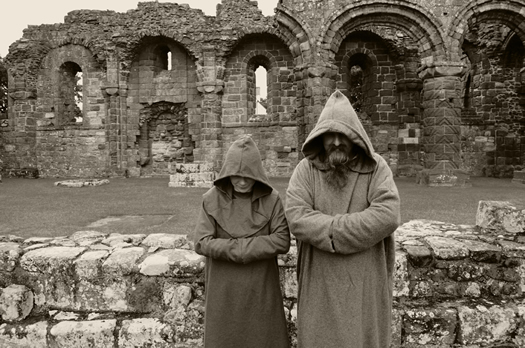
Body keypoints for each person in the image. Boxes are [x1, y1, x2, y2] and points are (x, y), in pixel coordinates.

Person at [285, 90, 401, 348]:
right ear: (321, 137)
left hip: (364, 284)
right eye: (330, 135)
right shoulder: (305, 170)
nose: (337, 142)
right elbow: (296, 216)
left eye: (343, 134)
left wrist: (329, 230)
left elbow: (387, 215)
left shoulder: (377, 168)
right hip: (319, 284)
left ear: (355, 135)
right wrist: (346, 229)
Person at [193, 134, 291, 348]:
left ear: (257, 173)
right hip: (224, 289)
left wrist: (237, 247)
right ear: (227, 172)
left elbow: (282, 240)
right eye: (236, 175)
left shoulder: (271, 200)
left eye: (248, 175)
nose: (242, 181)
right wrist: (245, 248)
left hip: (261, 288)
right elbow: (201, 241)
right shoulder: (211, 199)